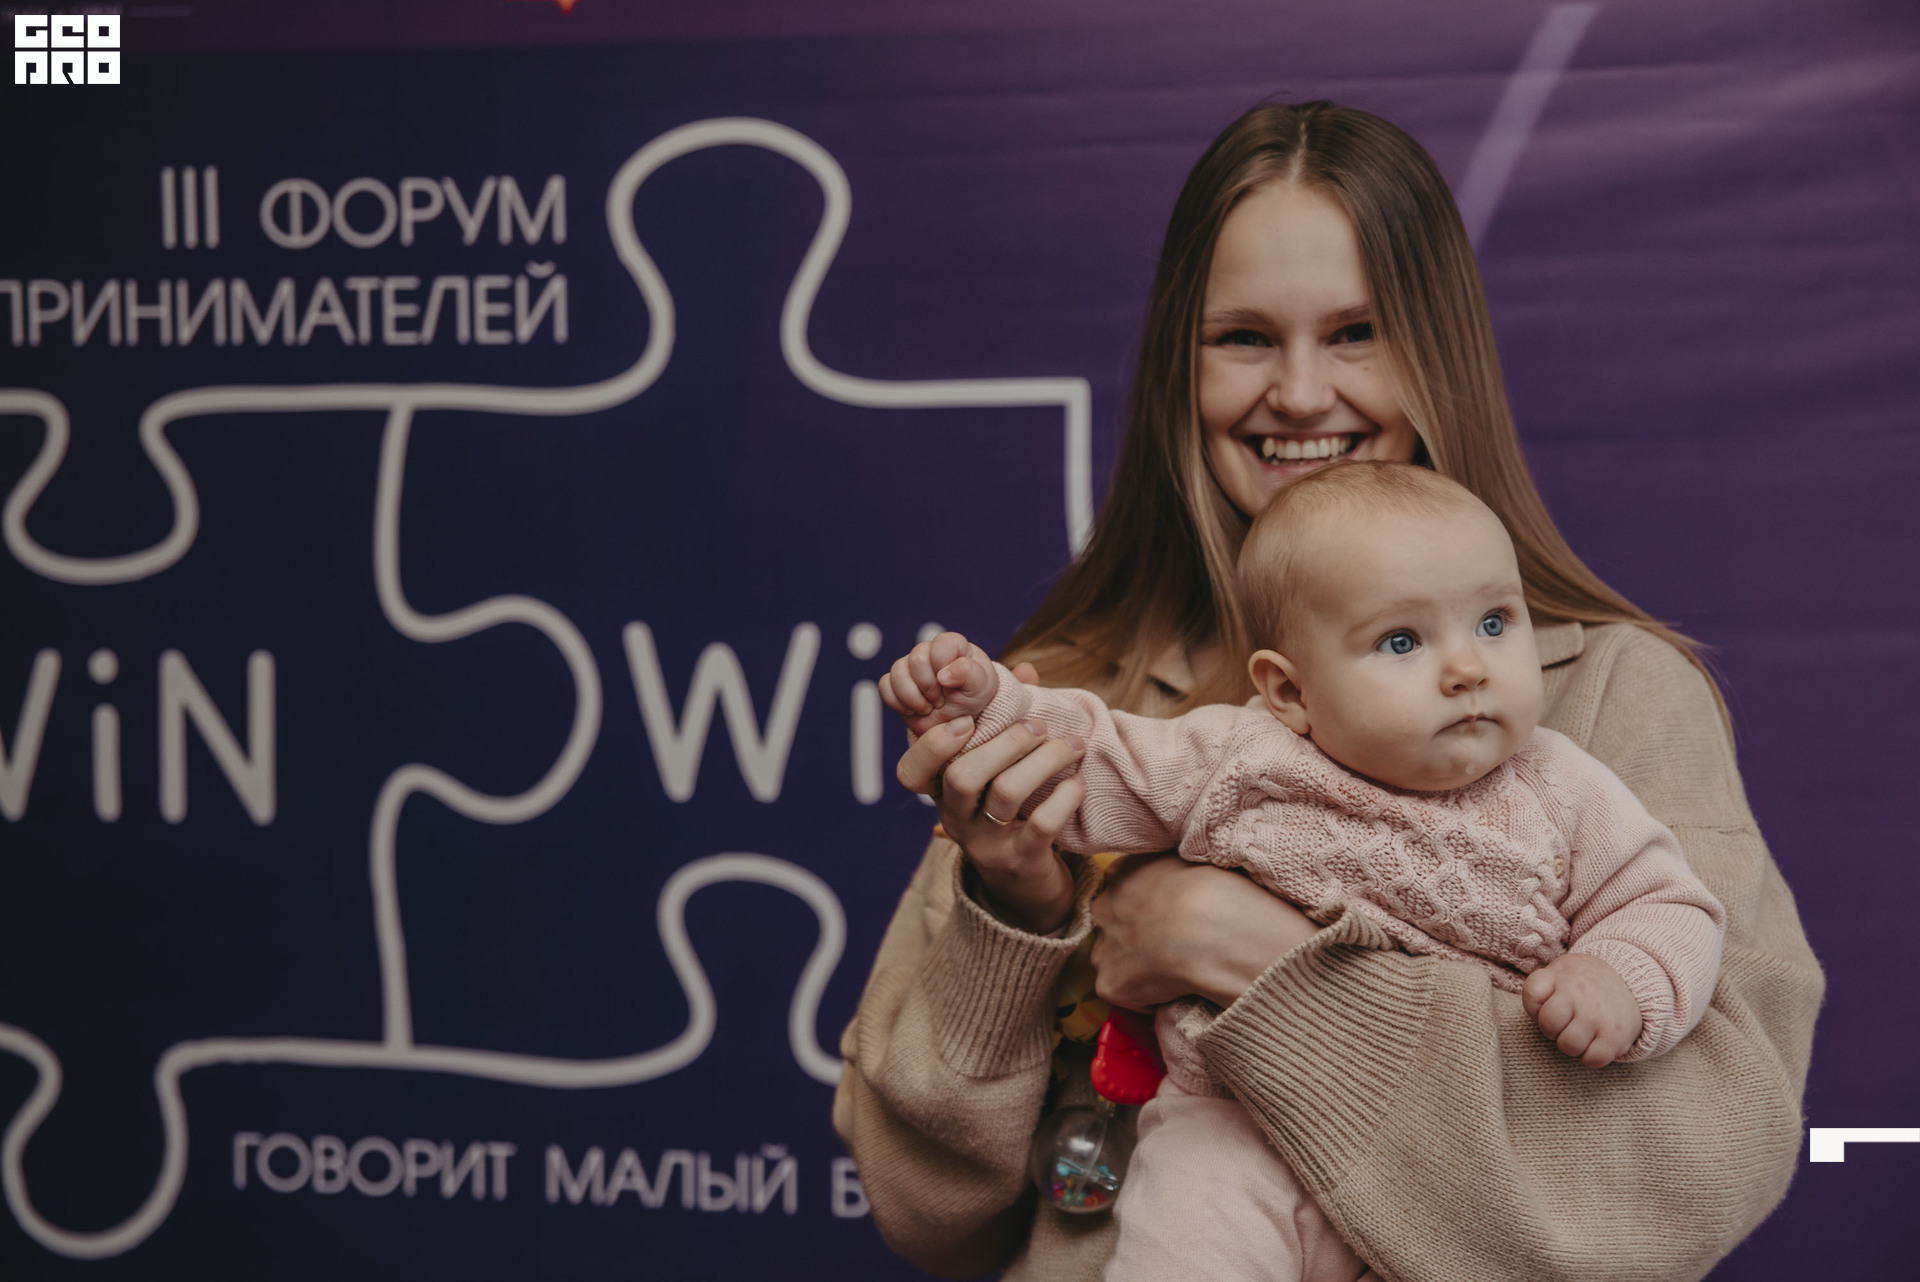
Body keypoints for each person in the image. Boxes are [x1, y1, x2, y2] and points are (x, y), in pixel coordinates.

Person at [831, 100, 1823, 1282]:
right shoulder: (1079, 689)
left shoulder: (1609, 697)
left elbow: (1704, 1163)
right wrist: (1017, 908)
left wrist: (1257, 958)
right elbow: (926, 1213)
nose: (1300, 394)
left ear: (1439, 354)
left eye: (1357, 332)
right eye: (1243, 339)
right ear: (1179, 367)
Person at [879, 461, 1727, 1282]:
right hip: (1230, 1127)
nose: (1469, 668)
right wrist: (991, 712)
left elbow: (1666, 903)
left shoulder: (1563, 782)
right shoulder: (1243, 756)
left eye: (1496, 623)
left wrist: (1620, 978)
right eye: (1402, 641)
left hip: (1439, 1161)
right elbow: (1101, 756)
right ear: (1289, 692)